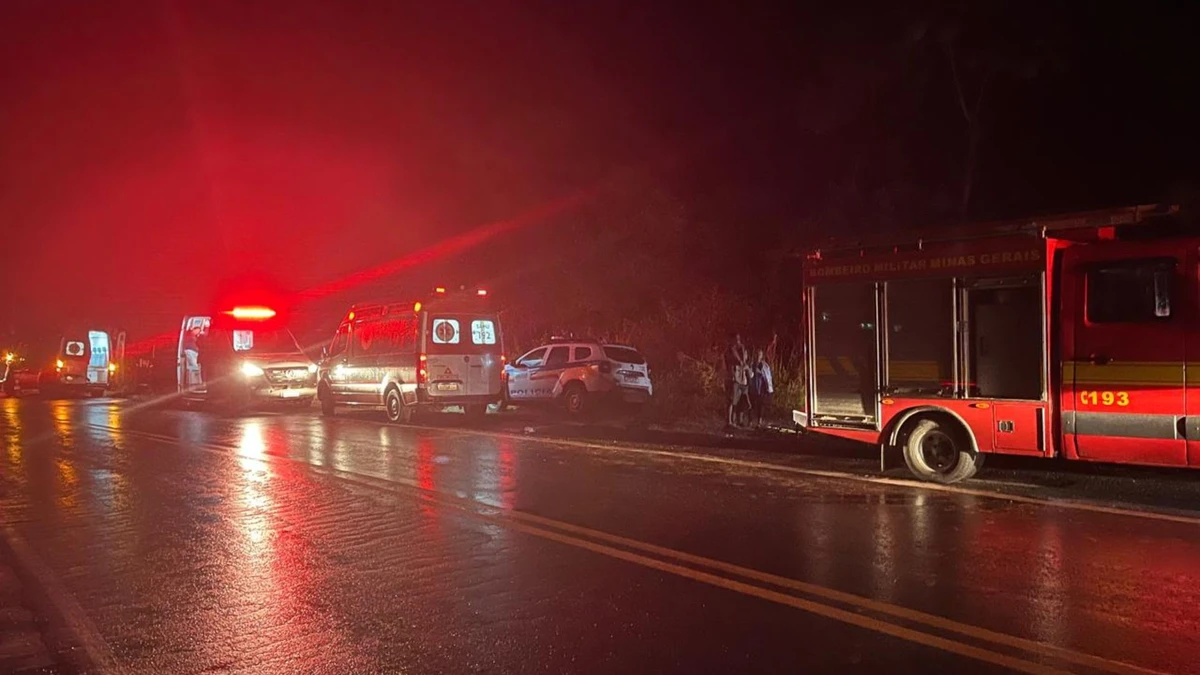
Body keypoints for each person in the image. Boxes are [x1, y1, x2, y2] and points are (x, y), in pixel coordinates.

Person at [725, 333, 749, 428]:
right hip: (733, 377)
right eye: (736, 339)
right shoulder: (730, 351)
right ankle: (729, 421)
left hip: (740, 378)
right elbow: (737, 361)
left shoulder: (740, 349)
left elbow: (744, 361)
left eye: (739, 339)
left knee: (739, 400)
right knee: (731, 399)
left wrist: (742, 350)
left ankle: (737, 420)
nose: (738, 341)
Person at [749, 349, 774, 429]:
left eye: (759, 354)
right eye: (757, 354)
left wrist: (768, 388)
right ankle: (751, 421)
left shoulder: (764, 365)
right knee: (752, 405)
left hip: (762, 388)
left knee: (761, 406)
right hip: (754, 388)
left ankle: (759, 422)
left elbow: (767, 376)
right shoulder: (753, 364)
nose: (758, 356)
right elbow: (750, 375)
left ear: (762, 355)